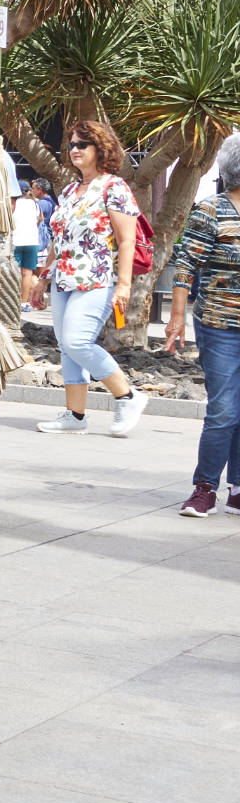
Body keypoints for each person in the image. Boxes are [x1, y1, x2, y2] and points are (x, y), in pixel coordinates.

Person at [36, 121, 149, 437]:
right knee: (66, 346)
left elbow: (127, 240)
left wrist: (124, 286)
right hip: (63, 280)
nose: (74, 150)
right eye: (71, 145)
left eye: (82, 145)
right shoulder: (71, 190)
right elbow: (60, 239)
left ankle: (128, 396)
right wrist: (43, 278)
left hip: (97, 280)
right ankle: (75, 415)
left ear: (101, 149)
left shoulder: (114, 188)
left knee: (77, 341)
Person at [165, 133, 240, 516]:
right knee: (224, 409)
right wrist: (176, 318)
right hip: (220, 324)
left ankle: (238, 488)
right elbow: (185, 268)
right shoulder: (212, 210)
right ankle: (205, 486)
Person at [12, 185, 45, 308]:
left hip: (16, 240)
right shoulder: (35, 204)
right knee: (27, 273)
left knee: (14, 272)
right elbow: (40, 219)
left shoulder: (14, 203)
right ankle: (23, 302)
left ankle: (13, 301)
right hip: (32, 241)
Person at [32, 177, 56, 309]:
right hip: (48, 240)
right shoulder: (51, 201)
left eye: (34, 188)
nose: (32, 190)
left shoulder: (42, 204)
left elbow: (35, 220)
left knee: (34, 271)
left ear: (40, 190)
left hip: (42, 240)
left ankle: (39, 296)